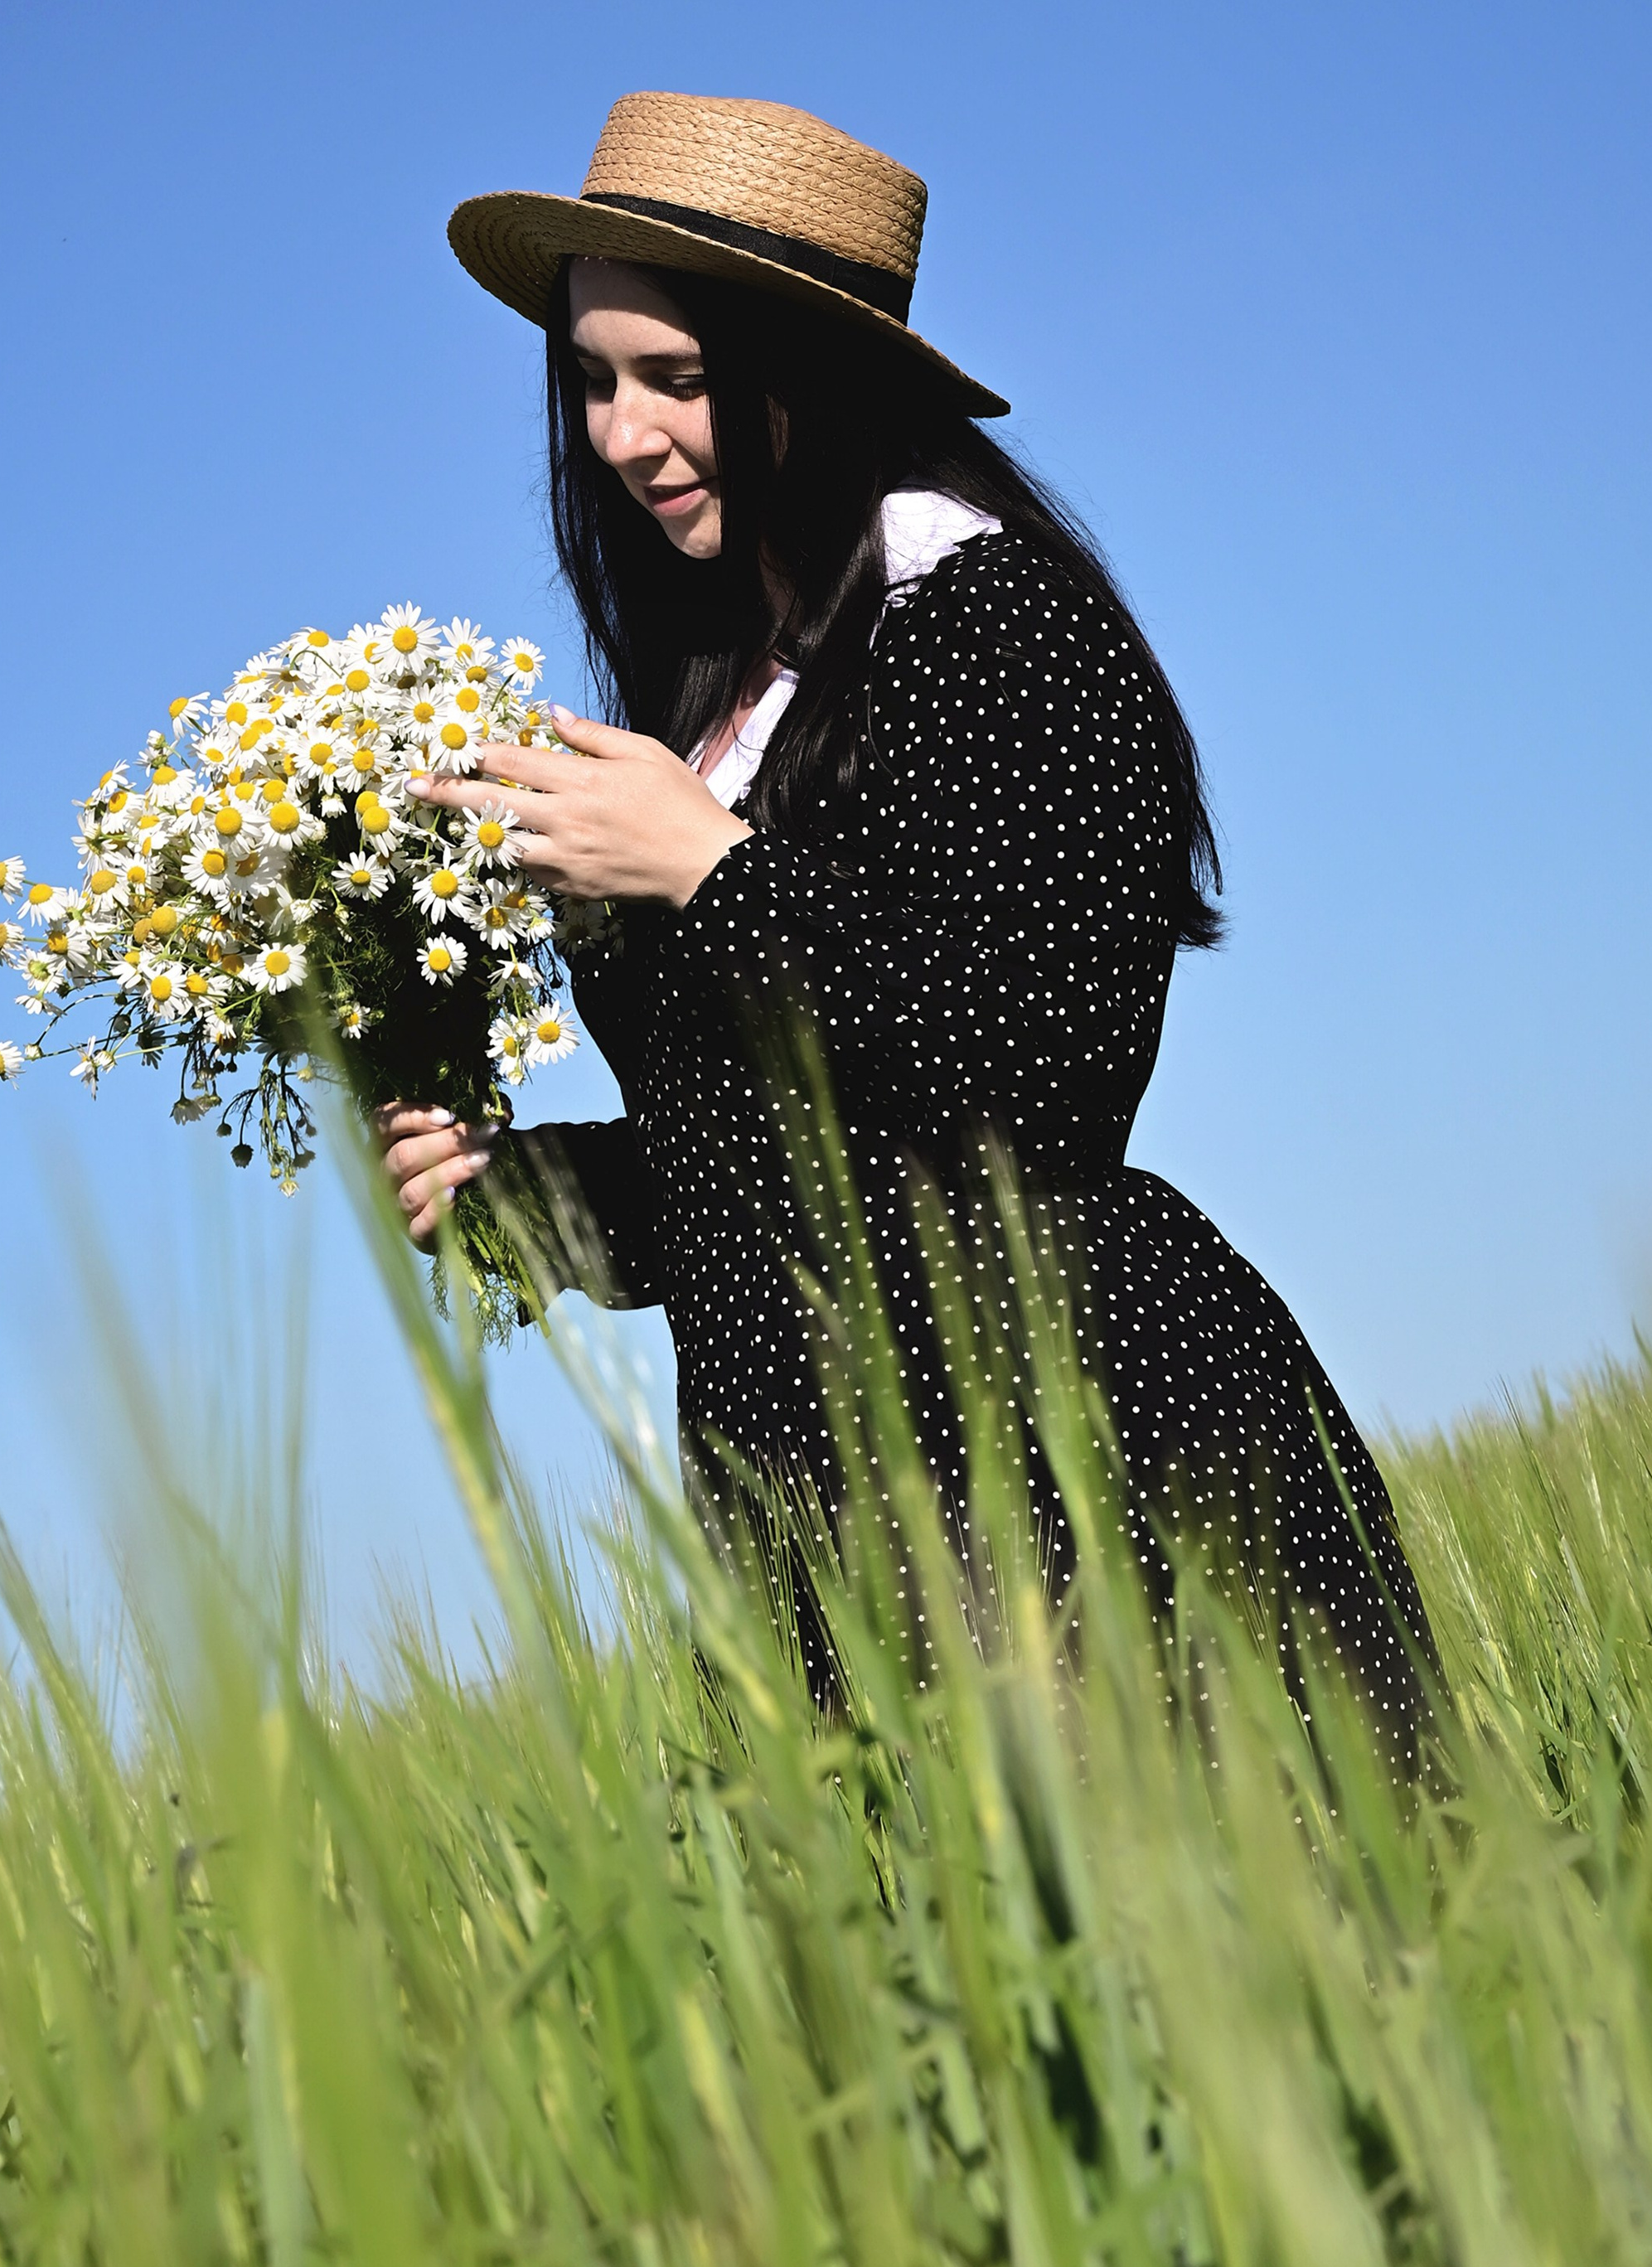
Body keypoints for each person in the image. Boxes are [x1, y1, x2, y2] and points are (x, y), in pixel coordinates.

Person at [377, 90, 1435, 1747]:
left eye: (675, 377)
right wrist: (521, 1197)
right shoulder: (722, 704)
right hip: (809, 1515)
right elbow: (773, 1181)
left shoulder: (993, 619)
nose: (620, 436)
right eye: (591, 381)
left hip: (1073, 1451)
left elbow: (1039, 1079)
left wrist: (713, 872)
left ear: (805, 373)